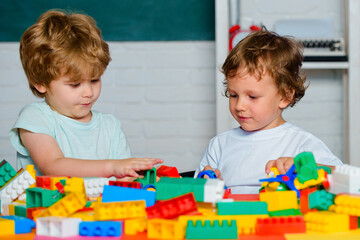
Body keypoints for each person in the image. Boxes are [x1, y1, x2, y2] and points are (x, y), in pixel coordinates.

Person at [9, 10, 163, 178]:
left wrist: (138, 176)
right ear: (41, 83)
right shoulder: (35, 118)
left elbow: (124, 177)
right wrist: (113, 167)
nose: (89, 92)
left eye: (95, 80)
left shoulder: (110, 126)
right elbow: (52, 166)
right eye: (75, 84)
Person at [195, 27, 342, 194]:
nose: (239, 106)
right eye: (234, 95)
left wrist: (304, 168)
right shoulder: (219, 145)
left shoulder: (302, 144)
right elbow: (196, 191)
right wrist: (206, 183)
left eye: (252, 97)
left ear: (284, 97)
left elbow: (344, 179)